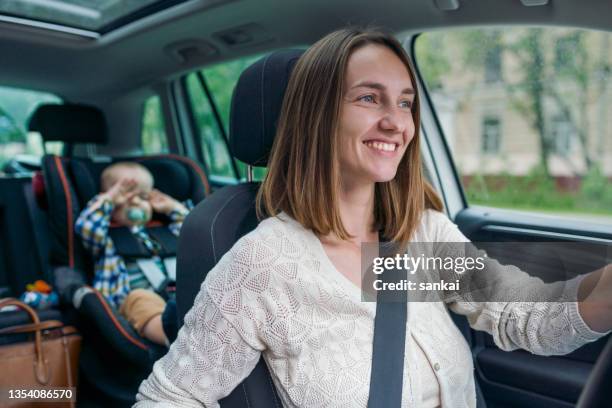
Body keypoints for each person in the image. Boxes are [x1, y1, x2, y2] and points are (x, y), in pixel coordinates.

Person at [135, 28, 612, 406]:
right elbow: (171, 396)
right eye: (369, 98)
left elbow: (522, 315)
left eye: (405, 102)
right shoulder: (264, 264)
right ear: (317, 116)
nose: (396, 121)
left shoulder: (421, 236)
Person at [69, 161, 190, 346]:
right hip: (134, 301)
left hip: (179, 297)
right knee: (140, 300)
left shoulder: (166, 232)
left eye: (142, 197)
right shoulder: (106, 238)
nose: (134, 201)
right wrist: (108, 199)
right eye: (125, 197)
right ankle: (172, 336)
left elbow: (196, 231)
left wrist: (171, 206)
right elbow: (86, 226)